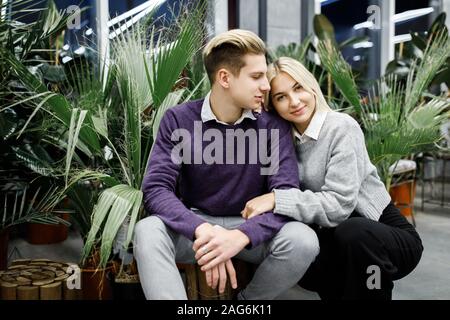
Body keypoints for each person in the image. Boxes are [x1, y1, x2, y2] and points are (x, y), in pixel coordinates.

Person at [134, 31, 319, 300]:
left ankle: (246, 303)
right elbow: (156, 189)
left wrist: (238, 237)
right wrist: (204, 231)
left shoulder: (273, 127)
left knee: (303, 240)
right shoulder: (178, 120)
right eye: (256, 77)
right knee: (147, 231)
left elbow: (285, 196)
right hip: (195, 226)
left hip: (249, 229)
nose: (266, 86)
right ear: (224, 78)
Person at [241, 57, 424, 300]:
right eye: (281, 97)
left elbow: (340, 206)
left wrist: (277, 199)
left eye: (298, 88)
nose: (294, 102)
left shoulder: (341, 127)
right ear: (272, 105)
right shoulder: (282, 141)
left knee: (353, 234)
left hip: (381, 233)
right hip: (333, 236)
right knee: (310, 253)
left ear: (311, 87)